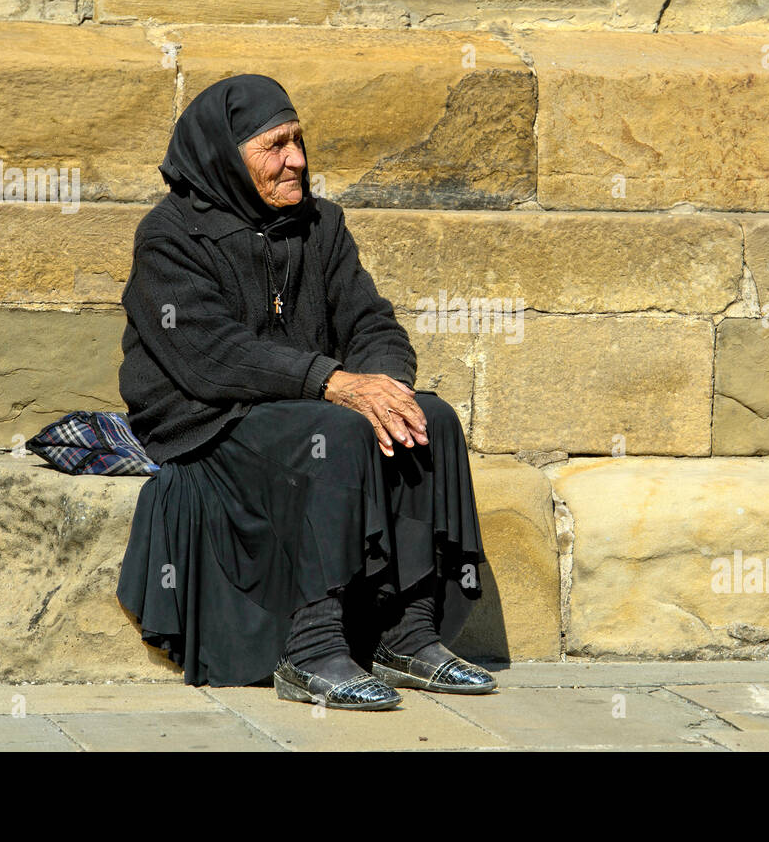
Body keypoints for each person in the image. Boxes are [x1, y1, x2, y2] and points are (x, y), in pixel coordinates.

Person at [115, 74, 496, 710]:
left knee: (431, 418)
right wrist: (332, 383)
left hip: (300, 405)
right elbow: (212, 355)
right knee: (335, 431)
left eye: (298, 141)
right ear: (223, 157)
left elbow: (370, 320)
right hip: (213, 420)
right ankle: (311, 647)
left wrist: (386, 388)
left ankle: (410, 632)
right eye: (273, 147)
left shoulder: (321, 225)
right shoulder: (171, 236)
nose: (295, 159)